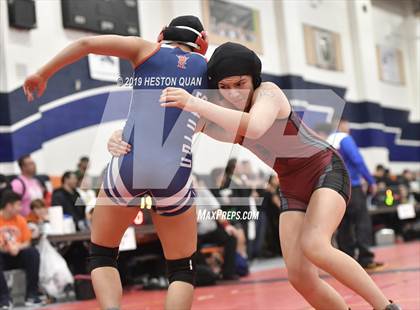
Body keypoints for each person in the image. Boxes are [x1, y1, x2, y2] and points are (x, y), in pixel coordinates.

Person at [111, 42, 400, 309]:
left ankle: (386, 307)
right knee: (299, 275)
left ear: (254, 79)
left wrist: (195, 103)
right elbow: (164, 130)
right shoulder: (220, 113)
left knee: (315, 245)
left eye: (240, 84)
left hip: (323, 168)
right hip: (291, 184)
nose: (233, 92)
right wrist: (122, 138)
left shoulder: (269, 93)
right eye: (224, 86)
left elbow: (256, 126)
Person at [23, 15, 208, 310]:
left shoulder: (145, 49)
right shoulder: (209, 69)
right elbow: (217, 120)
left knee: (102, 254)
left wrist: (42, 74)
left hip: (128, 165)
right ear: (201, 42)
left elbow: (85, 44)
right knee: (181, 268)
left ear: (163, 35)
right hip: (176, 174)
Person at [327, 119, 383, 269]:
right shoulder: (344, 138)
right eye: (348, 125)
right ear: (342, 125)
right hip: (352, 186)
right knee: (362, 222)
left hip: (333, 190)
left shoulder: (325, 141)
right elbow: (357, 160)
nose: (349, 129)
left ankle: (347, 262)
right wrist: (370, 180)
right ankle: (365, 259)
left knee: (343, 224)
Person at [0, 190, 42, 308]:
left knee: (33, 253)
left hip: (17, 254)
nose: (21, 208)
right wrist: (7, 248)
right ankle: (4, 298)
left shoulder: (20, 220)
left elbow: (27, 241)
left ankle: (32, 295)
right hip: (3, 255)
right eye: (18, 205)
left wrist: (18, 247)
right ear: (9, 206)